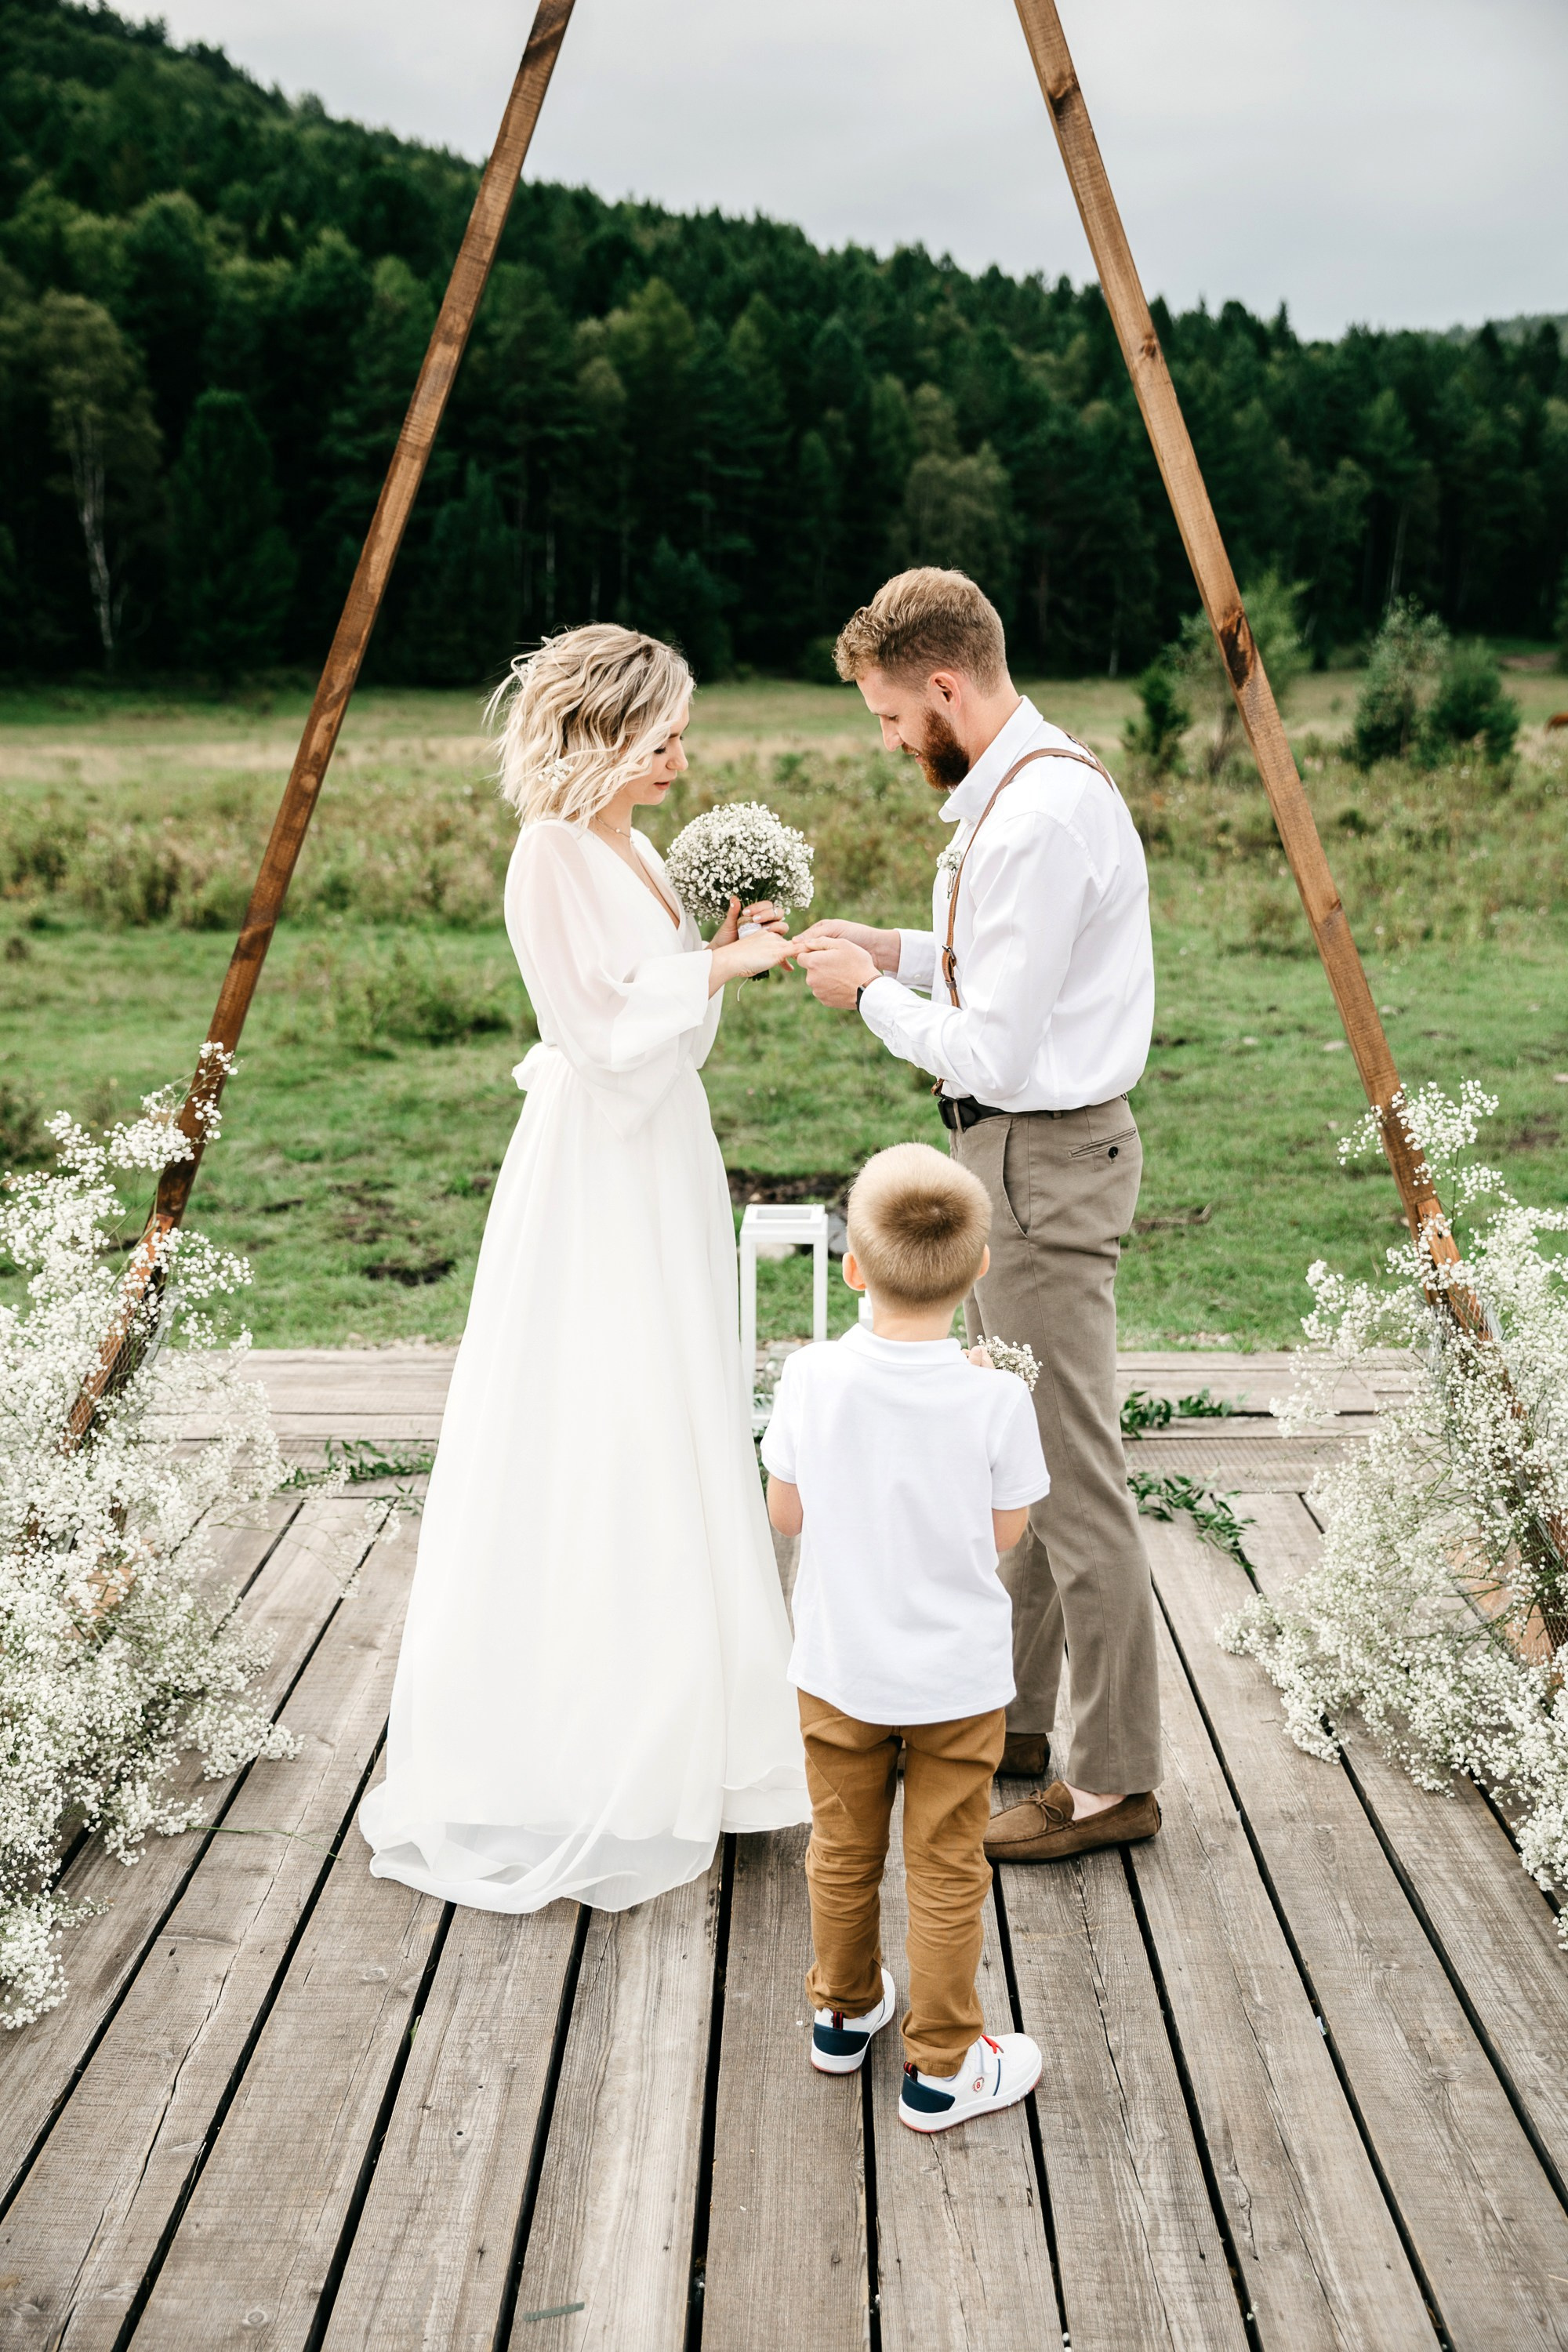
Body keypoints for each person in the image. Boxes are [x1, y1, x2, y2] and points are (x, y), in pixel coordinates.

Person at [359, 624, 810, 1912]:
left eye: (681, 731)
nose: (682, 753)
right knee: (598, 1413)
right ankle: (575, 1745)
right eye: (663, 731)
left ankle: (701, 1745)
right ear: (603, 732)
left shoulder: (637, 847)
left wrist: (720, 954)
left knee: (676, 1412)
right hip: (595, 1169)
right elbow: (598, 1030)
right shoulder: (550, 856)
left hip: (665, 1154)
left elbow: (670, 1022)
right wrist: (713, 966)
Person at [794, 567, 1163, 1865]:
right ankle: (1004, 1728)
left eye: (893, 717)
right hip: (1027, 1162)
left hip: (1040, 1163)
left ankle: (1116, 1781)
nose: (890, 741)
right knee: (1021, 1456)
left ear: (945, 684)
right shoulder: (1023, 788)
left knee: (1069, 1481)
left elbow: (1000, 1049)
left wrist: (863, 1001)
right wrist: (894, 950)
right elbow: (1008, 967)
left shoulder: (1037, 817)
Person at [761, 1143, 1047, 2130]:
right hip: (957, 1687)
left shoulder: (810, 1378)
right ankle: (941, 2065)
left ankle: (841, 2016)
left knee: (841, 1850)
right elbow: (1007, 1532)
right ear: (978, 1273)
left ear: (852, 1267)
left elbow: (786, 1515)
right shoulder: (995, 1397)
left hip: (838, 1671)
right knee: (944, 1862)